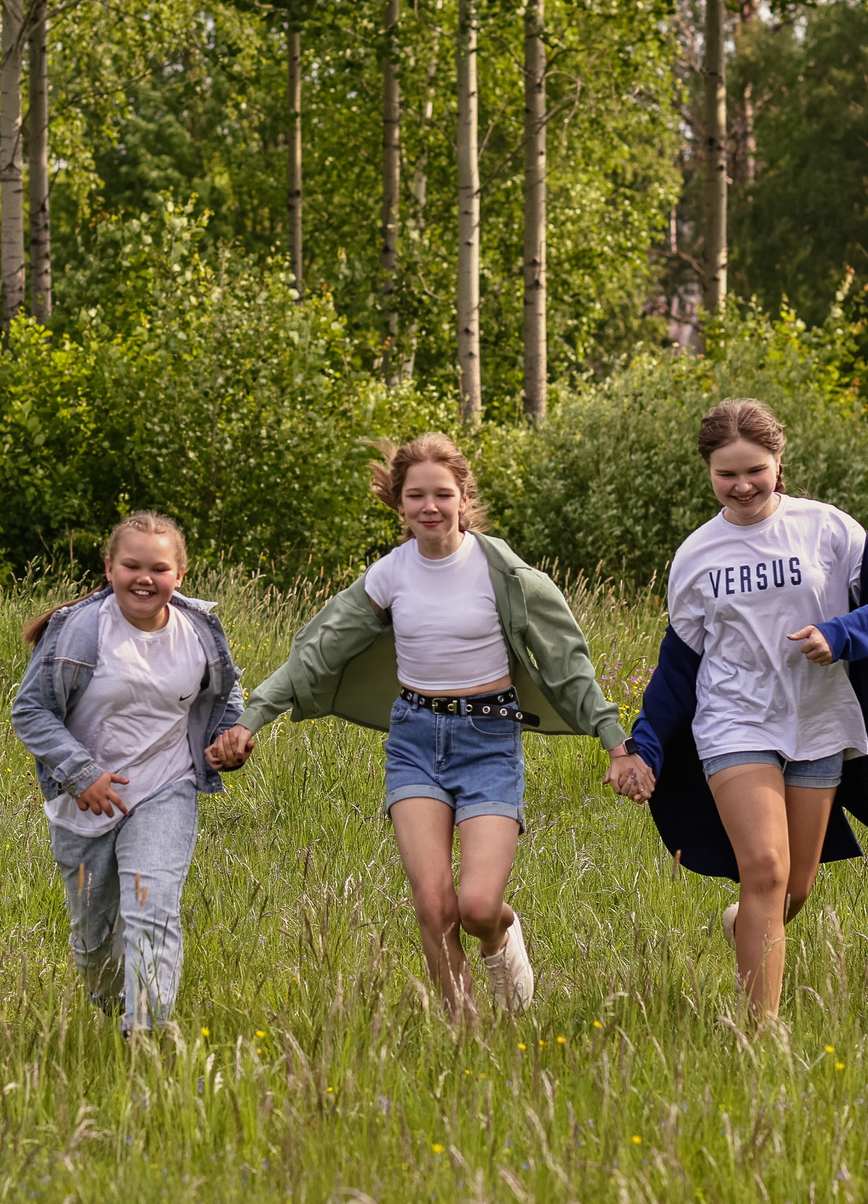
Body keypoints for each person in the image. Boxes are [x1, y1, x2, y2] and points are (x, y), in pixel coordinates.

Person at [211, 434, 643, 1020]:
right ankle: (464, 1032)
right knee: (435, 908)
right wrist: (252, 718)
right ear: (399, 503)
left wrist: (616, 744)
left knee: (478, 907)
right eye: (416, 495)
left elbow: (568, 666)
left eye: (443, 493)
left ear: (464, 497)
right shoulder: (389, 575)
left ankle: (502, 938)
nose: (430, 506)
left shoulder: (504, 574)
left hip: (489, 742)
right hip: (414, 741)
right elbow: (316, 654)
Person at [618, 398, 868, 1023]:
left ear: (778, 463)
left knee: (793, 888)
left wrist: (842, 634)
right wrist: (643, 746)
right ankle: (759, 1037)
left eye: (754, 470)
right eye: (726, 474)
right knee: (763, 868)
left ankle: (746, 924)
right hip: (733, 722)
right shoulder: (697, 555)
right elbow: (678, 667)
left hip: (818, 722)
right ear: (708, 472)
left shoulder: (826, 529)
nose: (742, 486)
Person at [11, 512, 248, 1038]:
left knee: (150, 909)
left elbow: (225, 694)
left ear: (179, 575)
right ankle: (113, 1004)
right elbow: (30, 711)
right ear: (109, 568)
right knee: (95, 943)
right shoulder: (78, 629)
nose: (145, 578)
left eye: (159, 569)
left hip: (167, 788)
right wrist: (82, 774)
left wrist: (228, 741)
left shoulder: (198, 630)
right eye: (131, 566)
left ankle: (145, 1033)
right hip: (83, 804)